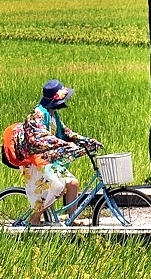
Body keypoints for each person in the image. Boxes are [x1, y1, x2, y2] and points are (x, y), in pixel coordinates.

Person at [11, 80, 101, 226]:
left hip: (48, 159)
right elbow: (40, 137)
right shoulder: (39, 114)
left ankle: (72, 219)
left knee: (73, 183)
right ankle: (35, 218)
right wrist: (63, 144)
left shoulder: (53, 114)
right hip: (36, 160)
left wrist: (86, 141)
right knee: (58, 188)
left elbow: (66, 132)